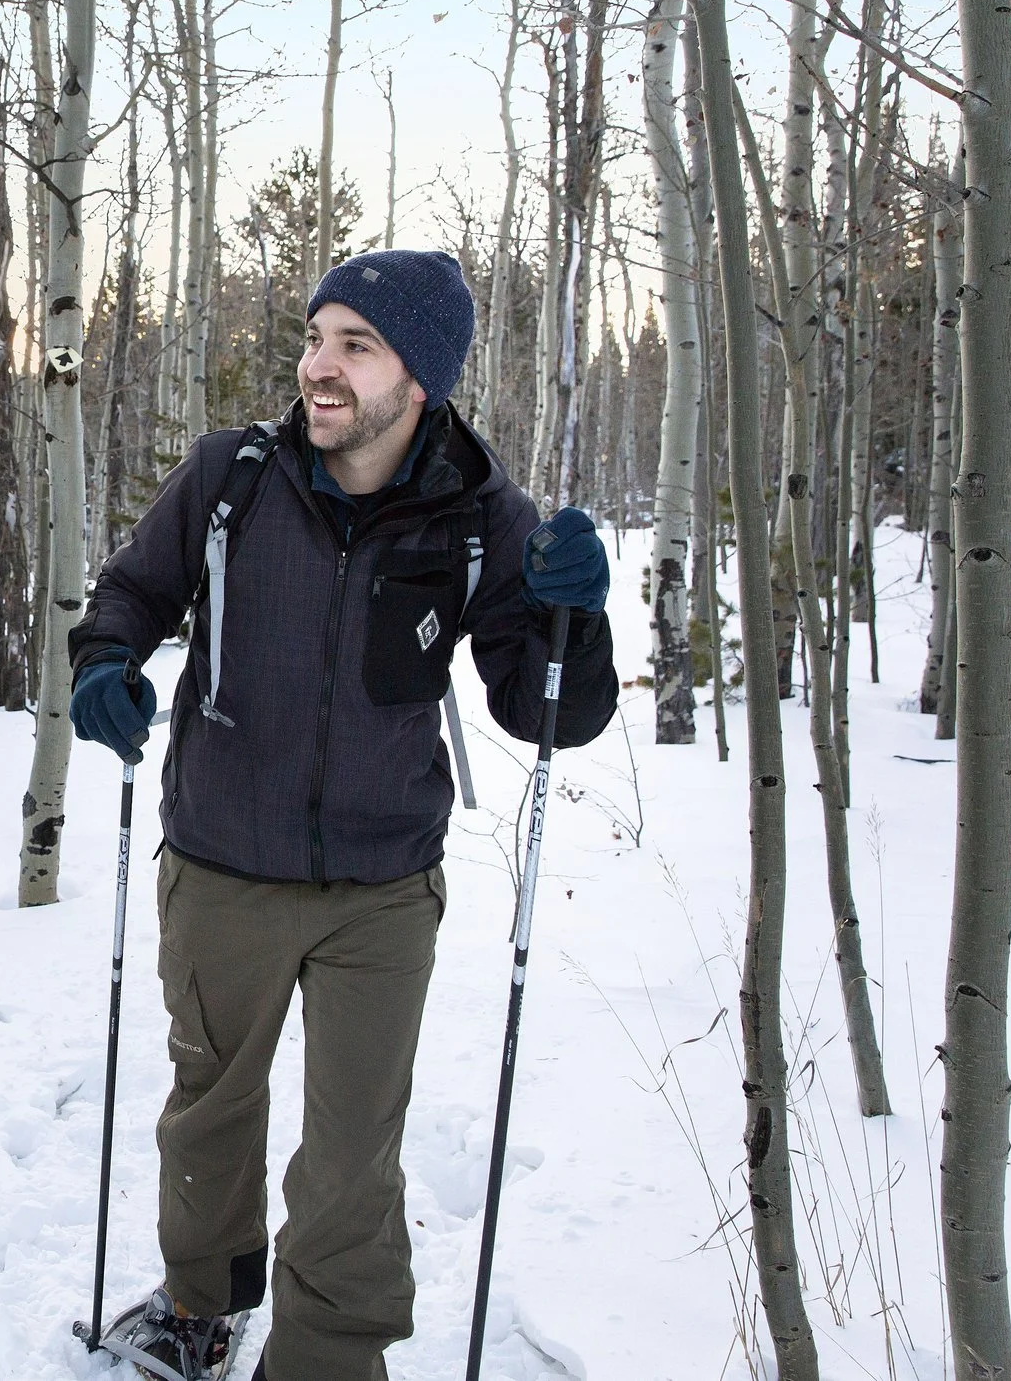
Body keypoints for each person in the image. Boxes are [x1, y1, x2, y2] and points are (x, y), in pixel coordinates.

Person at [67, 249, 618, 1381]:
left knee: (354, 1151)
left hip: (382, 888)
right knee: (210, 1108)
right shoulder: (230, 478)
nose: (317, 365)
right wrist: (106, 660)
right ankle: (199, 1304)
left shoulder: (482, 517)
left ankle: (323, 1355)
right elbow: (131, 589)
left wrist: (576, 619)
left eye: (353, 344)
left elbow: (544, 710)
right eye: (316, 336)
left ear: (420, 375)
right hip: (222, 858)